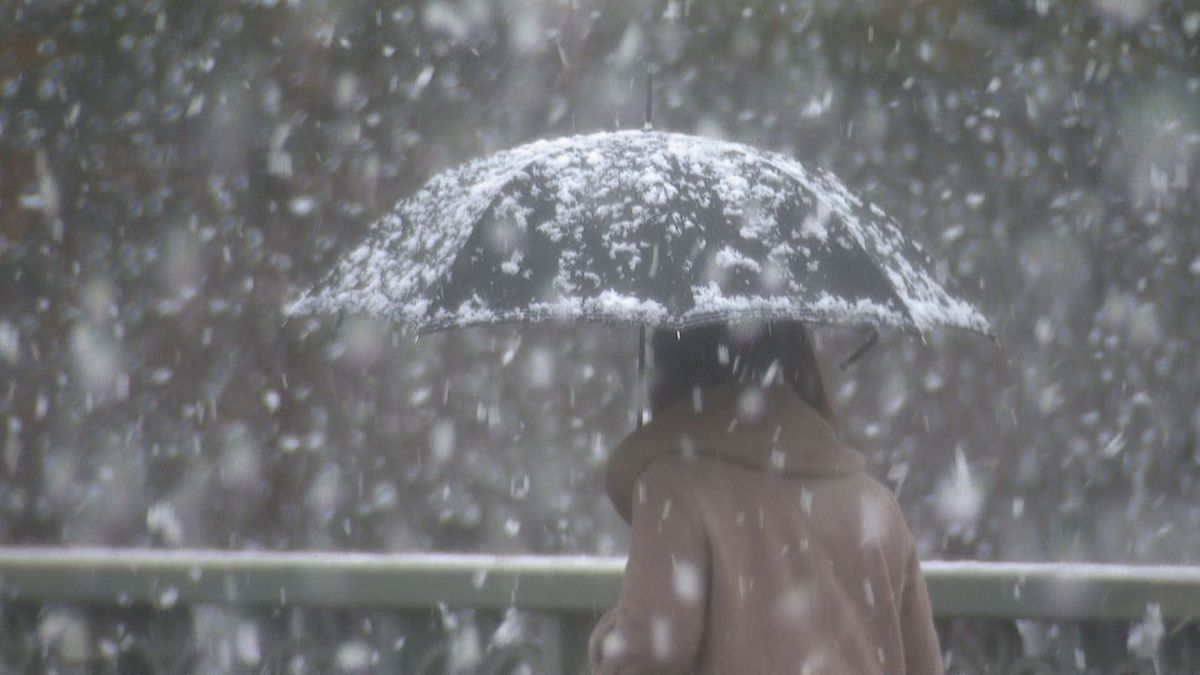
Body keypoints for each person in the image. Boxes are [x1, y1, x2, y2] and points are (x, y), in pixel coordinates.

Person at [589, 321, 943, 675]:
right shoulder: (875, 503)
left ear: (667, 372)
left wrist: (612, 635)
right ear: (797, 363)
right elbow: (922, 664)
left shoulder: (674, 486)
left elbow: (648, 657)